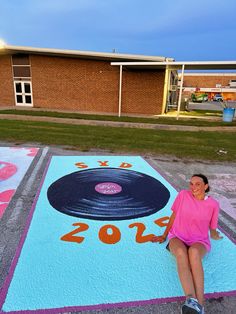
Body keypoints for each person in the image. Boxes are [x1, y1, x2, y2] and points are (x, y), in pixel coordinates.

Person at [151, 174, 222, 314]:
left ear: (205, 186)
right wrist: (164, 235)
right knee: (181, 253)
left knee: (194, 253)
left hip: (199, 241)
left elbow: (212, 227)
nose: (193, 187)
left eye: (198, 184)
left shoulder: (213, 204)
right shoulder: (183, 195)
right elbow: (174, 215)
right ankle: (191, 299)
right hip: (178, 236)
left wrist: (214, 234)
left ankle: (200, 305)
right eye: (191, 183)